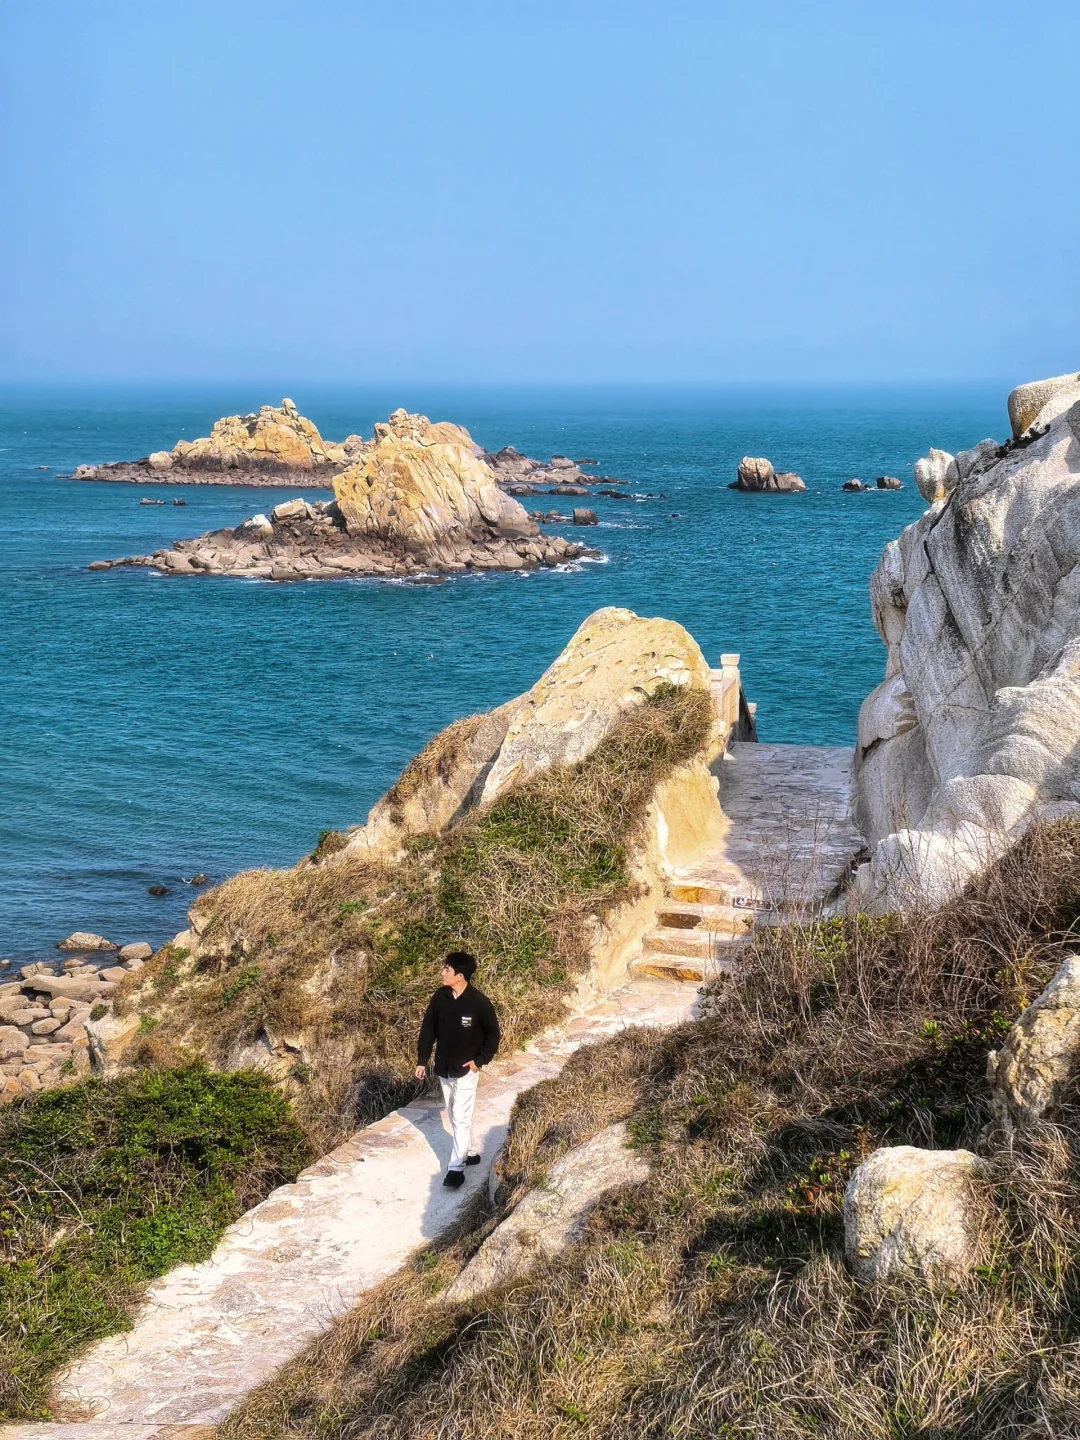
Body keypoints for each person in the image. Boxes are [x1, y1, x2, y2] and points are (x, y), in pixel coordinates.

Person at [415, 950, 501, 1189]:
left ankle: (456, 1167)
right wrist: (422, 1060)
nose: (442, 973)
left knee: (460, 1117)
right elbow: (428, 1031)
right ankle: (470, 1151)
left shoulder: (479, 1003)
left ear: (460, 976)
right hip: (443, 1067)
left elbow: (493, 1035)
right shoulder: (439, 998)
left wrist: (479, 1061)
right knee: (453, 1113)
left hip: (467, 1070)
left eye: (447, 970)